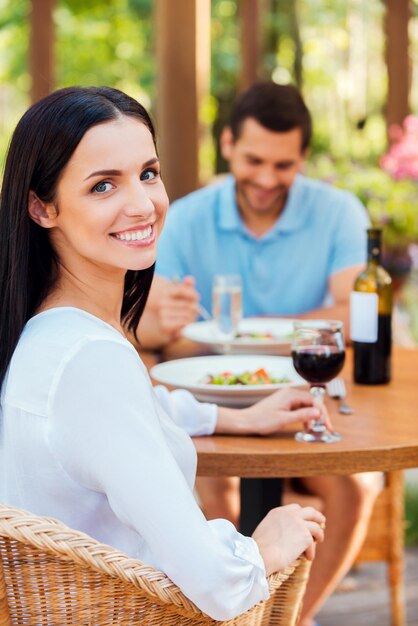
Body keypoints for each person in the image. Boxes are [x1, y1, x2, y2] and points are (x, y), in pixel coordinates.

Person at [0, 86, 328, 622]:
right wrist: (267, 539)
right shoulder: (90, 359)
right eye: (103, 185)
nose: (142, 203)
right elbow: (217, 583)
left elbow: (120, 418)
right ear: (42, 207)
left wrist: (236, 416)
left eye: (148, 173)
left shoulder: (45, 335)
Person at [137, 82, 382, 626]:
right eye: (254, 160)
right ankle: (242, 617)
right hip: (212, 399)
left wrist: (236, 330)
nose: (267, 179)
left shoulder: (337, 211)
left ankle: (287, 620)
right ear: (227, 144)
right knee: (206, 481)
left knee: (356, 487)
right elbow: (159, 335)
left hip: (310, 400)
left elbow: (354, 313)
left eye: (284, 164)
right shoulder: (185, 217)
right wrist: (172, 323)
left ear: (302, 159)